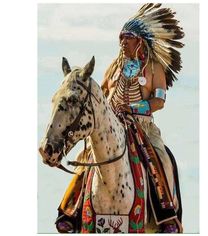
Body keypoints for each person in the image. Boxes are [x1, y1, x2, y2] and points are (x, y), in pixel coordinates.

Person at [56, 3, 184, 233]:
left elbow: (159, 102)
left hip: (142, 126)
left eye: (128, 38)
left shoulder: (155, 69)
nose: (123, 42)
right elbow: (102, 95)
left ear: (140, 42)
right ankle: (70, 210)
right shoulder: (113, 68)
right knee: (84, 155)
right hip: (112, 125)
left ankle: (167, 216)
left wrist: (134, 107)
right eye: (121, 38)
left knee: (163, 158)